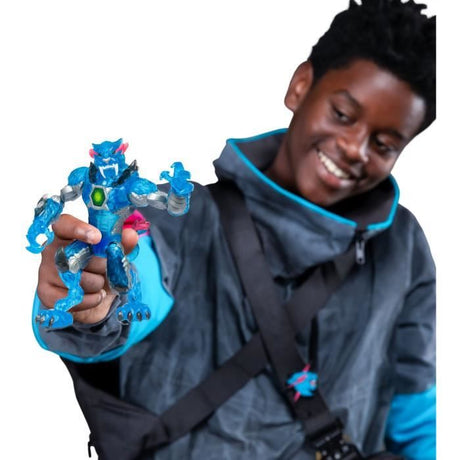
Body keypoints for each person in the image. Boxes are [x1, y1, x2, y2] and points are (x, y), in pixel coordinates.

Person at [32, 0, 436, 458]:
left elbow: (416, 410)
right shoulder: (178, 218)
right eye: (342, 114)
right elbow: (127, 287)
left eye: (384, 144)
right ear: (301, 86)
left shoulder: (402, 243)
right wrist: (88, 299)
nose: (355, 148)